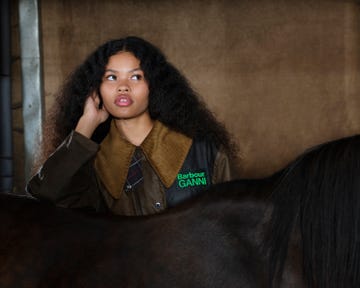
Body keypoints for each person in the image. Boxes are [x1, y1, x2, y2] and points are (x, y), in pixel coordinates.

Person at [26, 36, 241, 216]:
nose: (123, 87)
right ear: (96, 89)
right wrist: (85, 126)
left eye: (136, 77)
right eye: (111, 77)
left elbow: (235, 227)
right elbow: (45, 193)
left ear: (153, 85)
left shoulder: (206, 152)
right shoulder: (90, 166)